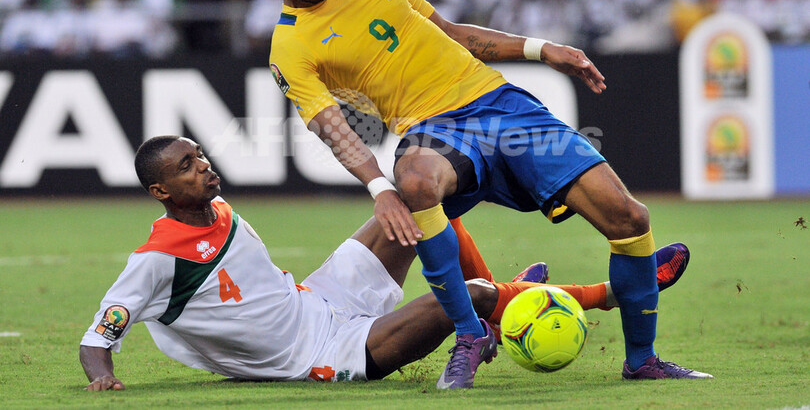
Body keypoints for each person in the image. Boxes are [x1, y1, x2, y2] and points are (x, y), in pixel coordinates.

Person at [240, 0, 712, 389]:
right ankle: (470, 334)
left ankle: (642, 360)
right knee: (415, 182)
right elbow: (331, 127)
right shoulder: (290, 47)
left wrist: (540, 49)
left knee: (629, 216)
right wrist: (379, 189)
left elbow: (449, 32)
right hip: (431, 129)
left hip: (500, 104)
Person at [79, 136, 691, 390]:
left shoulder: (216, 208)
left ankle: (511, 296)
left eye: (199, 156)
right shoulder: (158, 259)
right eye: (186, 167)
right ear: (160, 191)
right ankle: (594, 295)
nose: (203, 166)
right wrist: (101, 376)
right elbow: (98, 336)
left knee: (414, 203)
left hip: (317, 299)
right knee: (472, 298)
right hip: (321, 352)